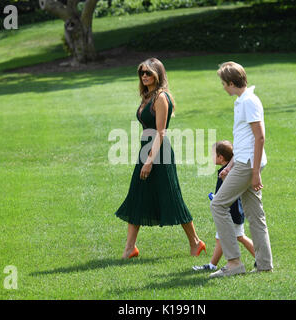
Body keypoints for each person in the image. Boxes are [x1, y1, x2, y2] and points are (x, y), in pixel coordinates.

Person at [114, 58, 206, 259]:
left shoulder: (161, 98)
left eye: (148, 73)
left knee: (171, 197)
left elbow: (160, 132)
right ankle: (130, 248)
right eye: (142, 73)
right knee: (137, 195)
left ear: (158, 74)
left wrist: (149, 161)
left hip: (159, 154)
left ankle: (196, 242)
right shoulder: (147, 96)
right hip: (145, 150)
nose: (144, 76)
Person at [209, 62, 273, 278]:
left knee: (218, 204)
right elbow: (245, 140)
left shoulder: (249, 101)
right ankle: (264, 264)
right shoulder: (242, 101)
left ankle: (234, 263)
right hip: (244, 162)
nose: (223, 87)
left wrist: (254, 172)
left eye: (223, 84)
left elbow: (260, 137)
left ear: (231, 83)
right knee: (255, 214)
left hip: (249, 165)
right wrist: (230, 165)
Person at [193, 140, 255, 271]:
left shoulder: (226, 173)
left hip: (230, 213)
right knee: (224, 238)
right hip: (233, 212)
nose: (210, 157)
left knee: (236, 237)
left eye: (212, 154)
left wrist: (216, 199)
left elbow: (227, 194)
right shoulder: (231, 170)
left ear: (220, 157)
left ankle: (260, 258)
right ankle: (212, 264)